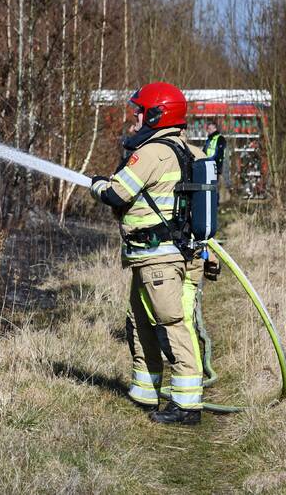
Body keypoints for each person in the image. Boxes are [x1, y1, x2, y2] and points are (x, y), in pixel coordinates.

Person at [89, 82, 206, 425]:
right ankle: (145, 390)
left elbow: (117, 194)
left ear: (156, 114)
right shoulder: (191, 152)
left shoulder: (153, 153)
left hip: (158, 258)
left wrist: (98, 184)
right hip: (163, 256)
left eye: (139, 111)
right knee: (139, 322)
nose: (134, 118)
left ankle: (187, 405)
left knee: (170, 324)